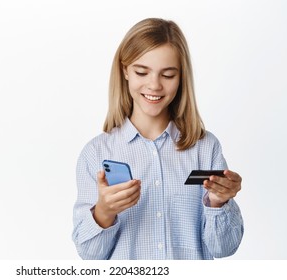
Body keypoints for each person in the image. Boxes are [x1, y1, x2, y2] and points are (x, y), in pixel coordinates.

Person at [72, 18, 244, 260]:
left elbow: (224, 248)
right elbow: (89, 255)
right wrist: (104, 211)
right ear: (125, 71)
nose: (154, 85)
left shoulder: (205, 148)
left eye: (168, 75)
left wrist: (218, 202)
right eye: (142, 72)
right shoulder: (97, 153)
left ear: (182, 76)